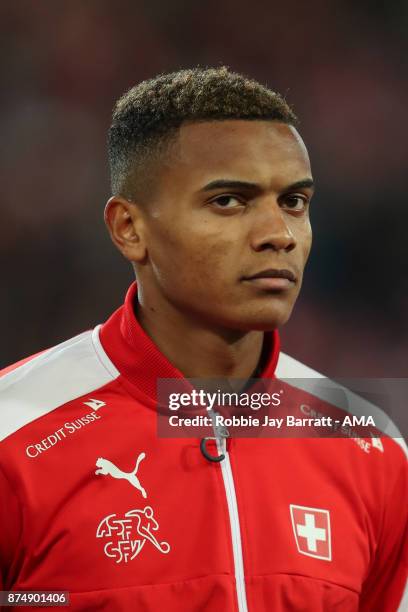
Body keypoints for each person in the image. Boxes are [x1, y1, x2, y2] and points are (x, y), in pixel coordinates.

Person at [0, 67, 406, 611]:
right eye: (228, 202)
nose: (278, 236)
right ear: (129, 229)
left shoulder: (368, 443)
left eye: (294, 202)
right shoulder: (14, 434)